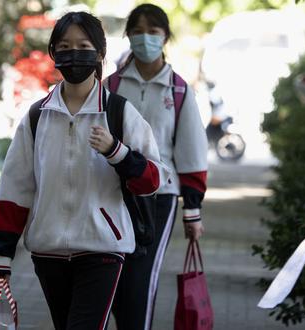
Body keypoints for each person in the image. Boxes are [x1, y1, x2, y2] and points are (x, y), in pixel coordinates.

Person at [0, 11, 168, 330]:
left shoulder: (119, 113)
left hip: (102, 249)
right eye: (65, 46)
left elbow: (152, 180)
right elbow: (15, 187)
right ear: (54, 53)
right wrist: (1, 253)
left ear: (99, 54)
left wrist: (118, 152)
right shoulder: (37, 117)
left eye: (83, 45)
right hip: (48, 252)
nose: (74, 54)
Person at [103, 4, 208, 330]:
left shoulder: (178, 90)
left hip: (159, 196)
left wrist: (192, 210)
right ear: (128, 36)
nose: (145, 38)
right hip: (112, 193)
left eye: (153, 31)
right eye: (137, 31)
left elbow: (191, 151)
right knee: (112, 277)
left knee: (141, 278)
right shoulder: (111, 86)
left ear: (165, 37)